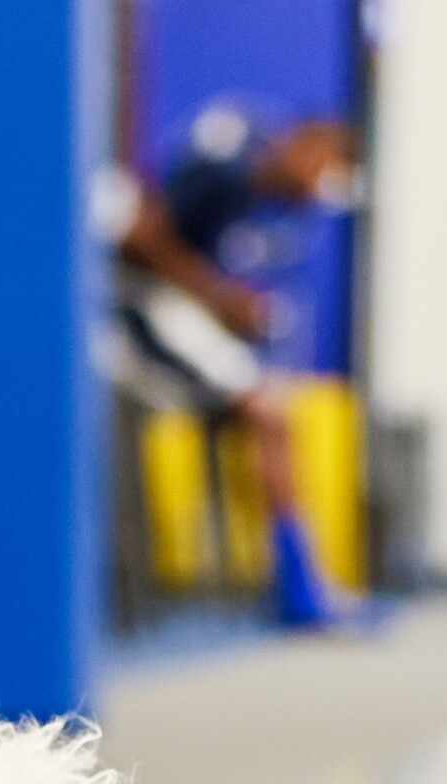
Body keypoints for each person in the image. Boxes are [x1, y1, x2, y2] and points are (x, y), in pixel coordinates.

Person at [104, 105, 359, 628]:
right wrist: (220, 300)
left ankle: (297, 575)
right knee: (268, 414)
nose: (322, 185)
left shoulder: (275, 210)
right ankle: (300, 589)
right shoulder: (224, 165)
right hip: (134, 313)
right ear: (306, 145)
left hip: (187, 323)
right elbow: (140, 234)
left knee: (276, 409)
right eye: (325, 166)